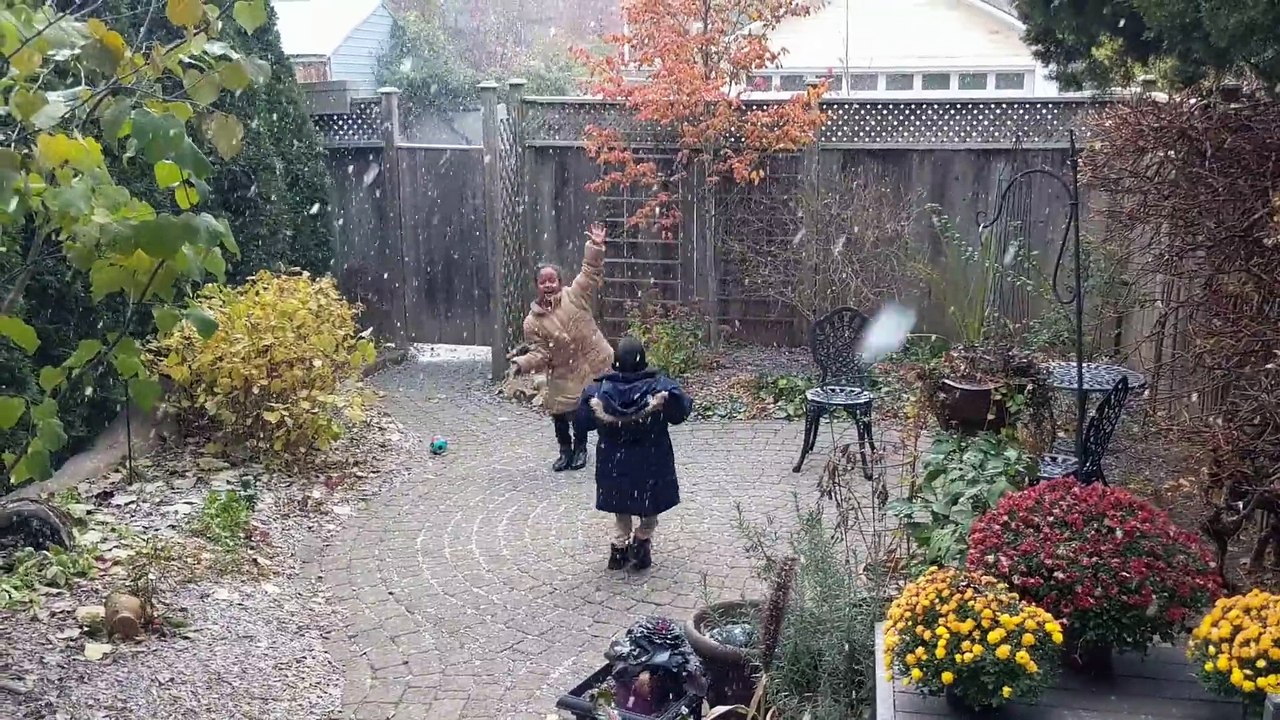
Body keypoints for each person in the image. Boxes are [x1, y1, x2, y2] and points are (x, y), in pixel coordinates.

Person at [575, 337, 693, 571]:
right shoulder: (661, 388)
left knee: (622, 507)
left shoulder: (598, 391)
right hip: (651, 462)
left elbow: (582, 422)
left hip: (614, 464)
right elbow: (680, 414)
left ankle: (618, 549)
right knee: (649, 509)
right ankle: (641, 543)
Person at [510, 223, 614, 472]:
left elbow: (589, 272)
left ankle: (581, 449)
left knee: (582, 412)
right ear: (537, 285)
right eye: (543, 281)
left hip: (594, 363)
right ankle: (564, 451)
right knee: (558, 414)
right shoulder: (532, 322)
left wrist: (595, 246)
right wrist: (521, 363)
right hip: (562, 373)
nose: (548, 285)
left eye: (552, 280)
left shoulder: (574, 296)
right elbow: (540, 353)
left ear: (559, 281)